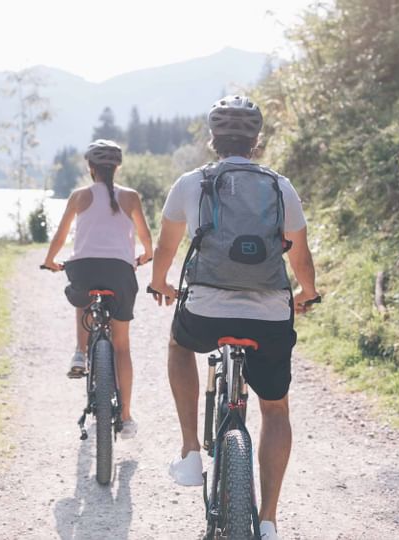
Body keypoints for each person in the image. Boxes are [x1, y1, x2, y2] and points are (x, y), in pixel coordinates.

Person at [149, 96, 319, 540]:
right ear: (256, 141)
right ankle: (269, 520)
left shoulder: (192, 182)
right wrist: (308, 293)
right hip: (269, 312)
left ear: (213, 140)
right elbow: (300, 256)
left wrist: (160, 283)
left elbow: (166, 248)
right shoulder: (281, 186)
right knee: (275, 408)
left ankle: (190, 451)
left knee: (179, 344)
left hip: (206, 308)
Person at [43, 139, 153, 438]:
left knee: (82, 292)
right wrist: (145, 256)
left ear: (90, 168)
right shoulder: (130, 197)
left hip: (84, 267)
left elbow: (61, 233)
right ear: (117, 167)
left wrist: (50, 260)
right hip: (120, 271)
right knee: (122, 347)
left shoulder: (79, 196)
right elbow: (145, 238)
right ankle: (127, 417)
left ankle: (80, 351)